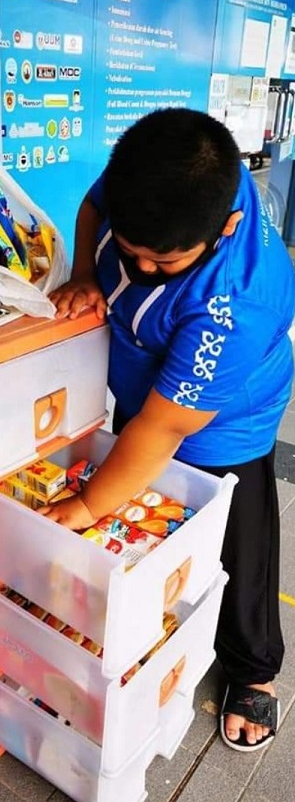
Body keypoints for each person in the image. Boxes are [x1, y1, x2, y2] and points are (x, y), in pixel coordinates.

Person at [45, 107, 295, 752]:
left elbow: (162, 430)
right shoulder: (162, 175)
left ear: (227, 226)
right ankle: (149, 621)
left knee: (234, 534)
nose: (145, 270)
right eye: (133, 255)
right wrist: (82, 274)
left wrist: (83, 505)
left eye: (166, 260)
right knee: (140, 504)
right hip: (149, 380)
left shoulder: (234, 306)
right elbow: (93, 205)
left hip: (224, 416)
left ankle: (254, 669)